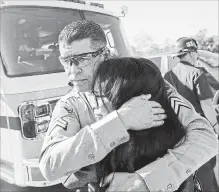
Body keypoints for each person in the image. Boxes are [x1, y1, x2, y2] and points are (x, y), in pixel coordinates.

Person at [39, 21, 218, 192]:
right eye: (66, 60)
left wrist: (147, 179)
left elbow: (205, 136)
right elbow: (50, 165)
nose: (72, 70)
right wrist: (120, 120)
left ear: (105, 55)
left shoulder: (145, 83)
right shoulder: (71, 104)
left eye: (82, 59)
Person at [92, 57, 195, 192]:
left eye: (101, 97)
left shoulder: (126, 151)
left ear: (131, 99)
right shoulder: (177, 139)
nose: (94, 105)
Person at [164, 37, 219, 191]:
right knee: (206, 176)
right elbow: (207, 106)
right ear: (192, 53)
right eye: (195, 53)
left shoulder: (167, 76)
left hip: (178, 136)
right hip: (199, 134)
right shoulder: (197, 73)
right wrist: (216, 129)